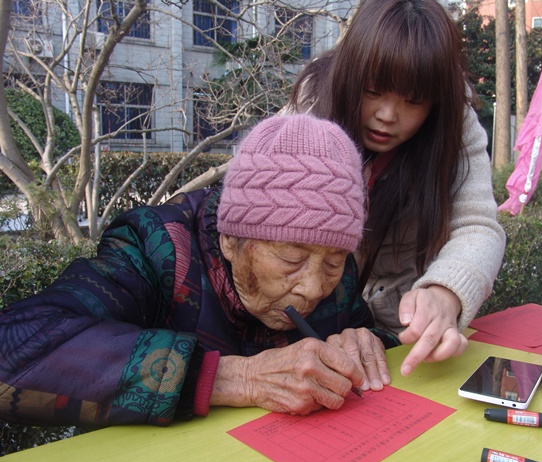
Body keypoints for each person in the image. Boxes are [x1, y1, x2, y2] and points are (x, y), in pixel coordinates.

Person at [0, 114, 395, 428]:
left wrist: (365, 341)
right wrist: (233, 377)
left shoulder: (335, 271)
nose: (313, 288)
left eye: (333, 261)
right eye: (291, 259)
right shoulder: (156, 248)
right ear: (230, 240)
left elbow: (361, 333)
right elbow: (13, 348)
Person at [285, 0, 506, 375]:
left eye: (413, 101)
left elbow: (478, 225)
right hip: (305, 329)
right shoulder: (314, 100)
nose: (387, 116)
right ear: (351, 73)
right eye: (373, 90)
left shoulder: (455, 121)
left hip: (402, 337)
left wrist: (445, 293)